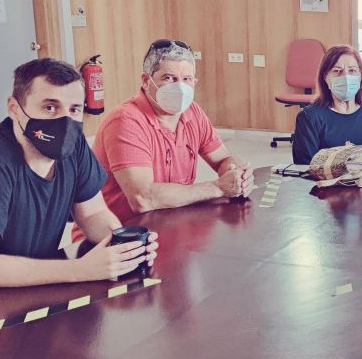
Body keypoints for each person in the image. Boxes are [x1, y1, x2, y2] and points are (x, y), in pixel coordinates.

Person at [0, 58, 158, 288]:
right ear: (14, 109)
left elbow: (92, 214)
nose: (64, 121)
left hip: (36, 286)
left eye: (74, 109)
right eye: (50, 107)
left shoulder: (74, 146)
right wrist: (80, 269)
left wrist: (124, 245)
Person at [82, 39, 252, 232]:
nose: (180, 88)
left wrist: (238, 174)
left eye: (186, 79)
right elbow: (142, 199)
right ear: (146, 81)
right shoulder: (125, 121)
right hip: (117, 237)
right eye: (169, 78)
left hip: (169, 226)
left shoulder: (193, 112)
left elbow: (223, 159)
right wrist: (218, 187)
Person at [293, 45, 362, 165]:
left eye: (352, 71)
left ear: (360, 76)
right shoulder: (309, 117)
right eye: (337, 71)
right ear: (325, 77)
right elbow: (305, 168)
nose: (346, 77)